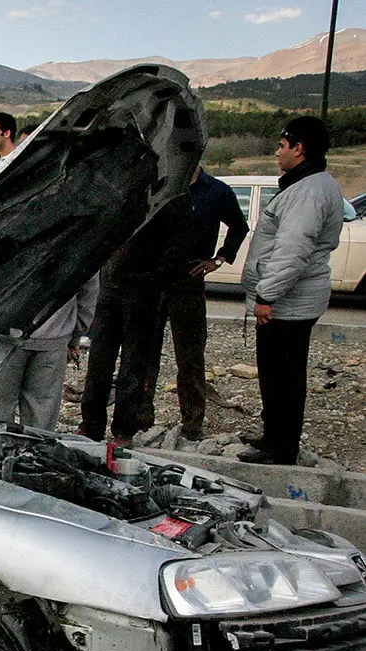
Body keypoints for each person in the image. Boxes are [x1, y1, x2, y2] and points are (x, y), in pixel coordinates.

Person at [237, 116, 343, 465]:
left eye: (282, 146)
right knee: (275, 373)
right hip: (290, 300)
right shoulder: (307, 185)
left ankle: (281, 448)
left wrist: (267, 295)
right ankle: (274, 435)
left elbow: (293, 249)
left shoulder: (308, 191)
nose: (277, 153)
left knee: (283, 375)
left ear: (299, 149)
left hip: (289, 302)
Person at [139, 166, 249, 439]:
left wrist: (220, 259)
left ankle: (192, 423)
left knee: (190, 355)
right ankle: (139, 419)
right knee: (143, 352)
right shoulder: (160, 183)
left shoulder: (216, 190)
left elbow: (239, 226)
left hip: (189, 278)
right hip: (152, 278)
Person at [78, 194, 193, 445]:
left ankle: (124, 429)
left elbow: (178, 246)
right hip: (109, 287)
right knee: (99, 359)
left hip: (142, 291)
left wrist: (154, 281)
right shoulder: (127, 189)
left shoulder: (173, 198)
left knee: (134, 363)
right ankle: (90, 423)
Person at [0, 273, 99, 431]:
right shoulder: (85, 248)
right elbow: (88, 292)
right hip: (54, 336)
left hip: (6, 334)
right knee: (41, 414)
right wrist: (75, 335)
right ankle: (36, 452)